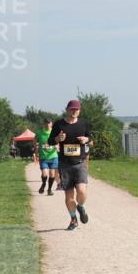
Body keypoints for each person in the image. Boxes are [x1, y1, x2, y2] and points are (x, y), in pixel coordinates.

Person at [49, 99, 92, 231]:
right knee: (69, 196)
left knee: (82, 191)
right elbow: (50, 141)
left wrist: (87, 139)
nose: (74, 111)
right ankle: (73, 219)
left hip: (80, 163)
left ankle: (80, 206)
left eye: (77, 109)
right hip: (65, 164)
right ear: (67, 110)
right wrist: (57, 139)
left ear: (79, 110)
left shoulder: (84, 124)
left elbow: (91, 140)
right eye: (72, 109)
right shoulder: (59, 125)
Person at [36, 119, 59, 196]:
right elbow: (34, 139)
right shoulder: (39, 132)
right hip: (43, 157)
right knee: (44, 174)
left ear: (51, 124)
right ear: (44, 124)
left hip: (53, 156)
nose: (47, 124)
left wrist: (57, 146)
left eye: (49, 123)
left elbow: (59, 141)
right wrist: (36, 149)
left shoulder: (55, 132)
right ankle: (43, 184)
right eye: (46, 122)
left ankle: (49, 189)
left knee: (52, 174)